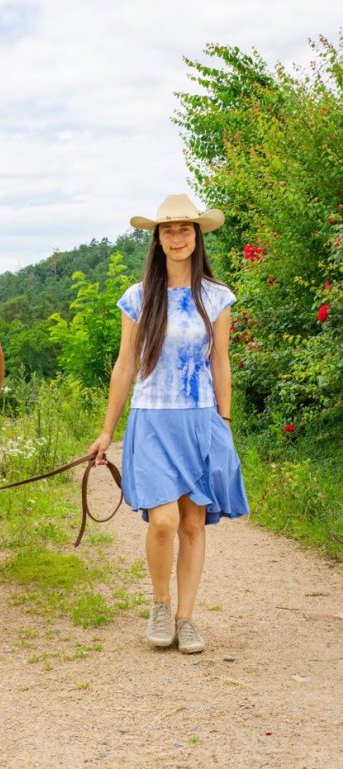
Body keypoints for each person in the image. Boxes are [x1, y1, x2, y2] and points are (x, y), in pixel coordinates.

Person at [90, 194, 249, 655]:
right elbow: (124, 366)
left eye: (184, 229)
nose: (176, 237)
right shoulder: (138, 298)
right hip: (152, 420)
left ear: (197, 236)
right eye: (167, 230)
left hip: (200, 420)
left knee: (193, 525)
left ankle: (187, 618)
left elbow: (221, 363)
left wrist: (224, 421)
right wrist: (106, 431)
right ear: (157, 240)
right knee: (163, 522)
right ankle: (160, 604)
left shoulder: (216, 297)